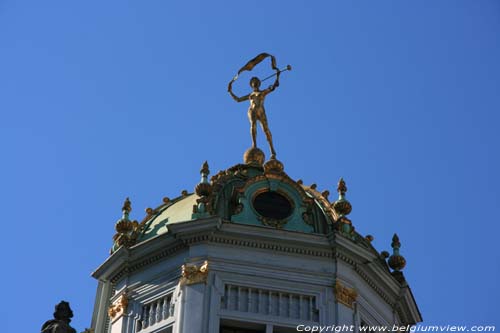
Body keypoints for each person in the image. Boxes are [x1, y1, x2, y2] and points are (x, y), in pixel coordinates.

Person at [228, 72, 280, 159]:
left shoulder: (263, 92)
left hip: (261, 111)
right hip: (252, 110)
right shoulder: (250, 95)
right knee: (253, 125)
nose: (254, 83)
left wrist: (277, 76)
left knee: (266, 129)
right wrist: (230, 92)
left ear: (259, 83)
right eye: (253, 81)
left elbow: (274, 87)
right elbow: (238, 99)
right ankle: (254, 144)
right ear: (251, 85)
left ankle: (272, 149)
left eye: (256, 81)